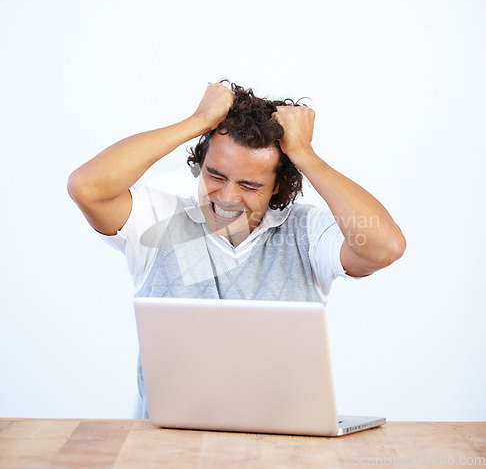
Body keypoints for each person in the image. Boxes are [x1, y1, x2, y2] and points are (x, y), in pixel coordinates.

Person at [68, 81, 406, 418]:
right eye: (215, 175)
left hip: (286, 446)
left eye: (249, 185)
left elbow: (384, 247)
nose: (227, 198)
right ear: (201, 165)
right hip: (169, 448)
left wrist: (304, 153)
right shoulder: (158, 221)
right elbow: (87, 187)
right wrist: (197, 122)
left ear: (277, 186)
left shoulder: (308, 234)